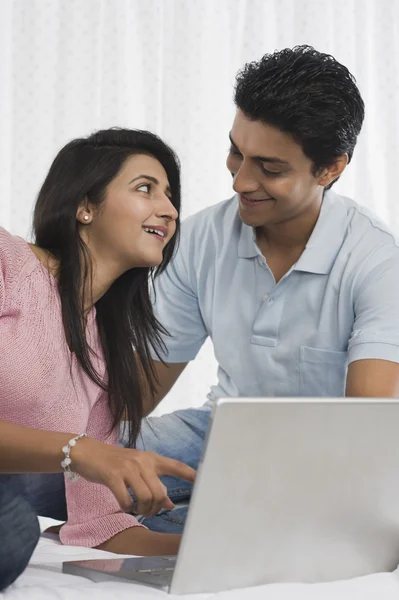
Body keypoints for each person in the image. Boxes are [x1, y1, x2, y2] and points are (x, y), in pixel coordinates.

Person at [131, 44, 399, 533]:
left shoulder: (377, 261)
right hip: (219, 434)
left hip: (328, 462)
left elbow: (368, 433)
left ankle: (210, 524)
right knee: (50, 474)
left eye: (270, 169)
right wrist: (89, 455)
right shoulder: (201, 239)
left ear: (331, 168)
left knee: (217, 527)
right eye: (237, 151)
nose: (240, 181)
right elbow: (138, 391)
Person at [0, 127, 196, 558]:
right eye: (146, 189)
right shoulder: (7, 264)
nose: (169, 210)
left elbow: (101, 523)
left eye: (170, 197)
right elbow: (84, 456)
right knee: (15, 528)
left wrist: (206, 552)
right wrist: (77, 449)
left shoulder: (105, 355)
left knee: (14, 526)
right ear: (86, 207)